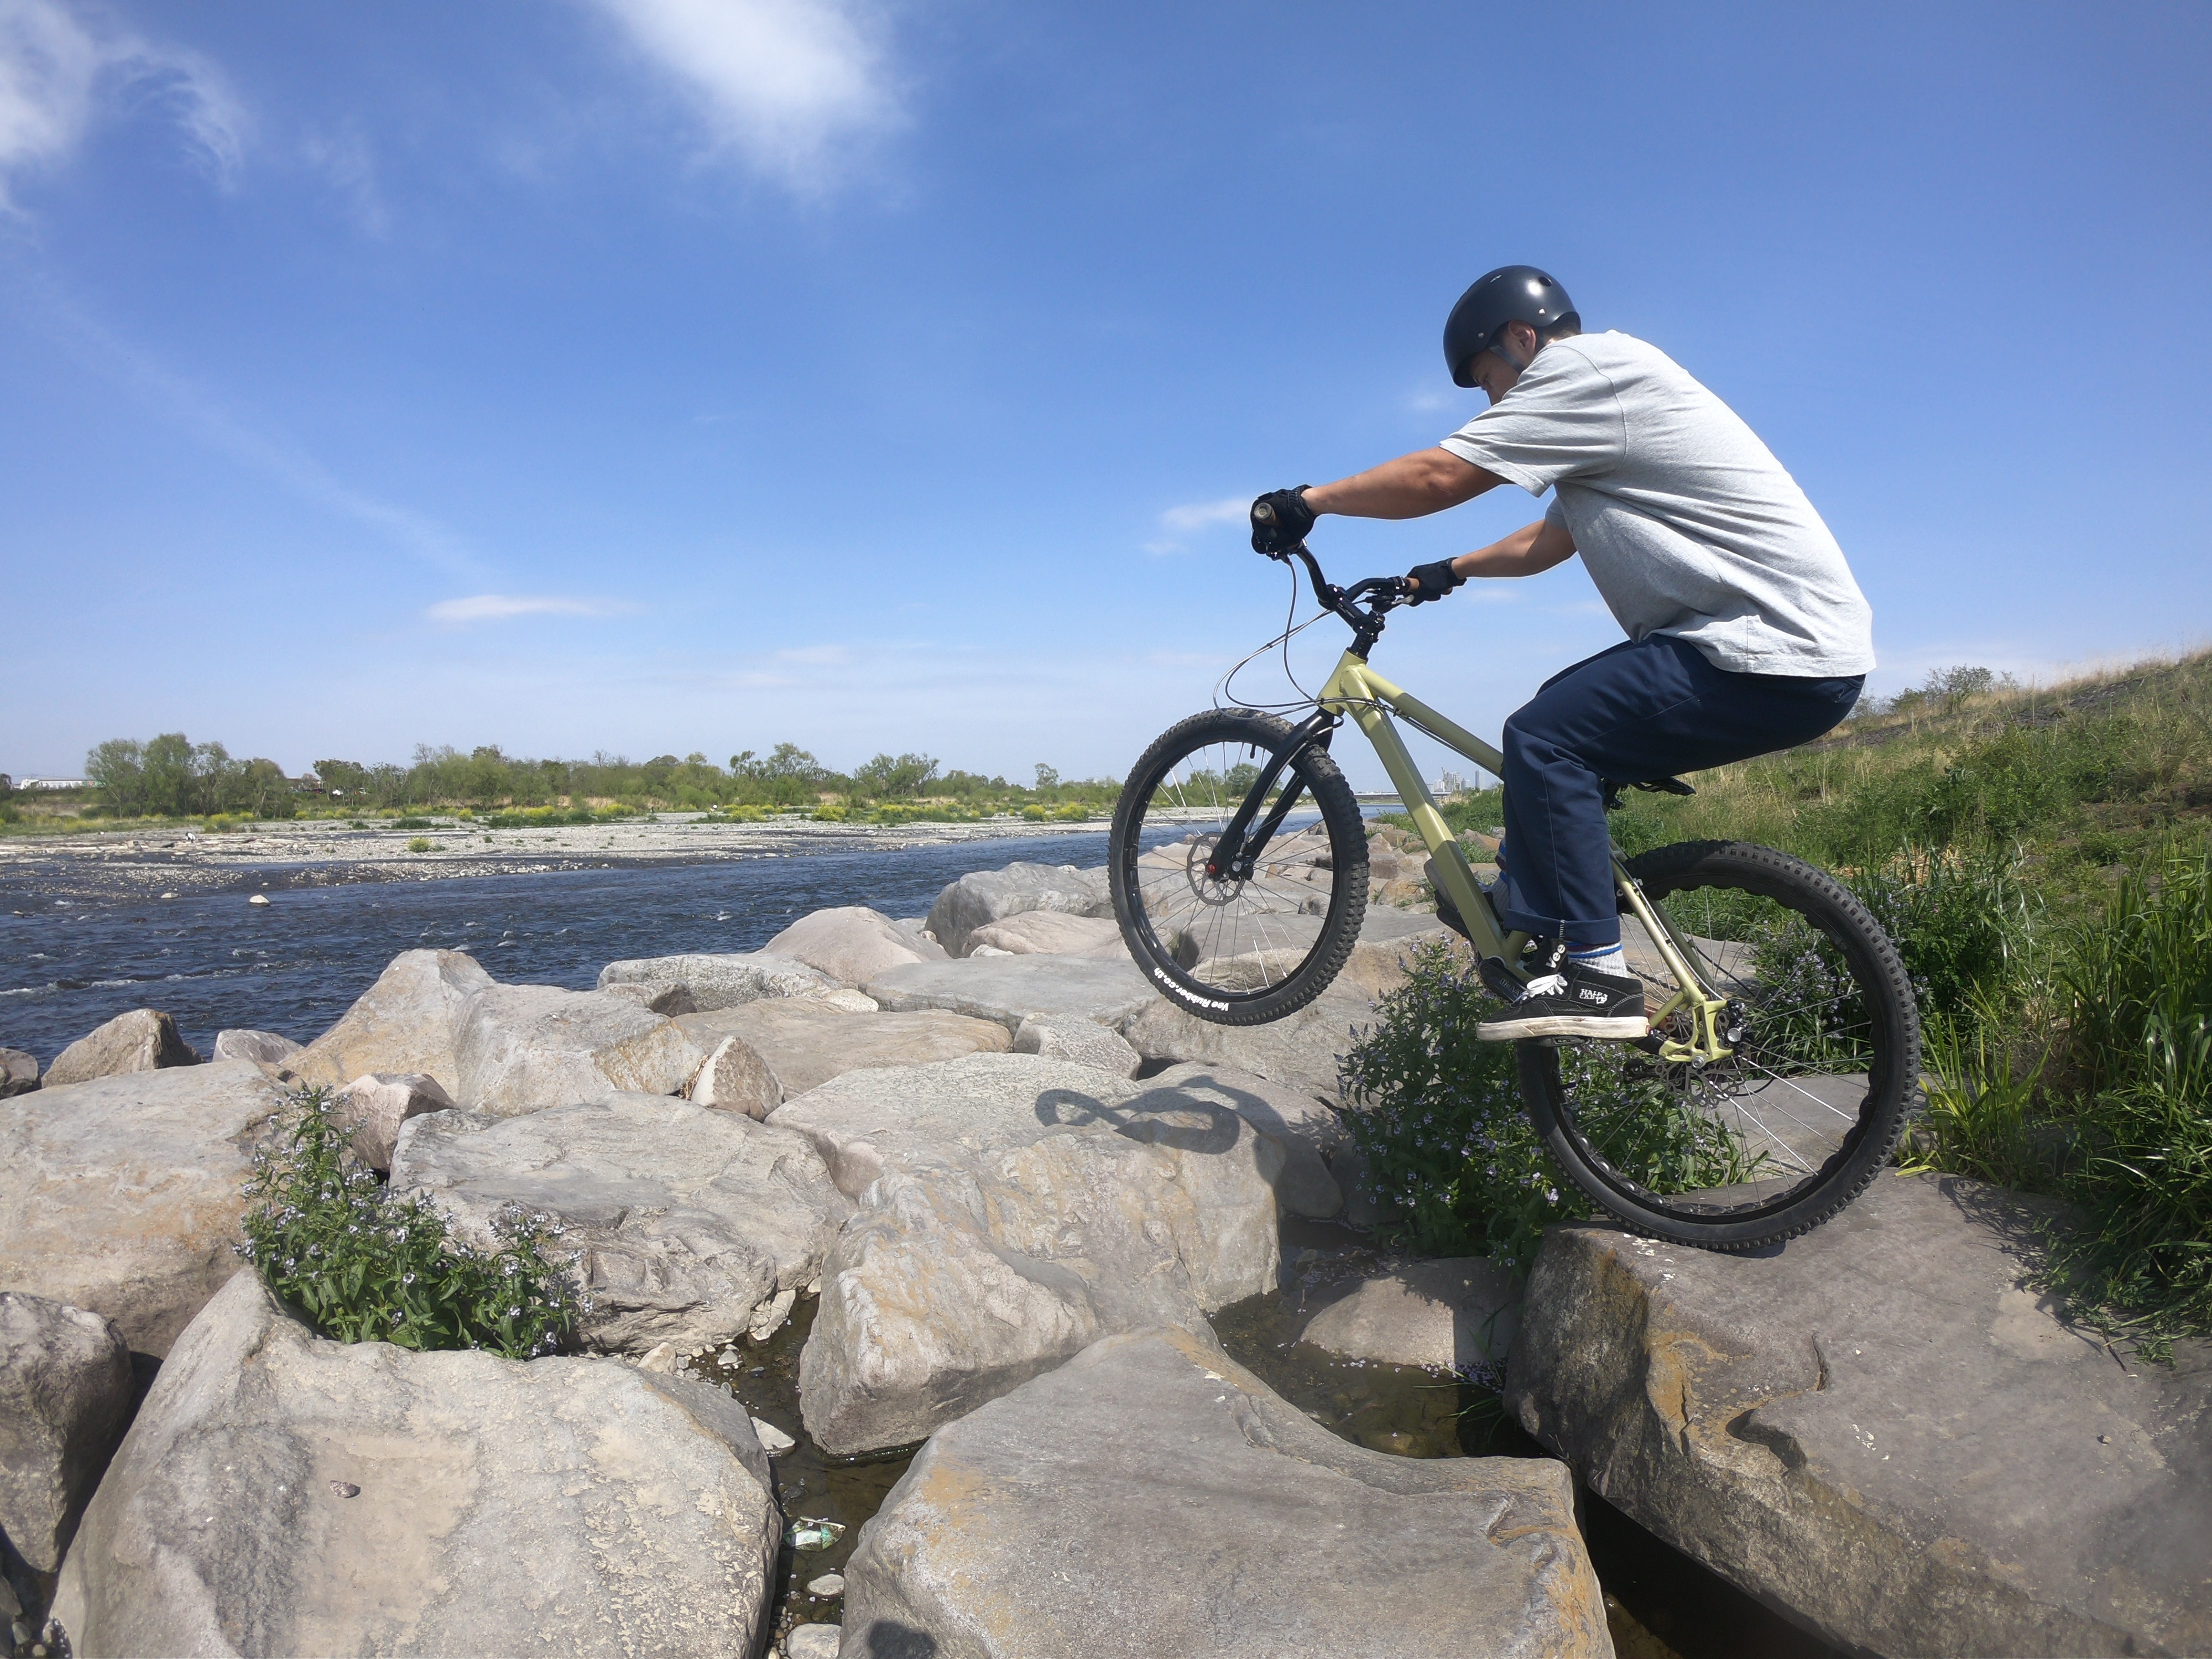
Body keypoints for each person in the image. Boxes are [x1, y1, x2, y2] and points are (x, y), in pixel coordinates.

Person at [1249, 265, 1873, 1041]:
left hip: (1768, 647)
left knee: (1546, 737)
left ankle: (1598, 978)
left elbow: (1442, 474)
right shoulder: (1611, 404)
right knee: (1558, 710)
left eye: (1487, 384)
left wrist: (1306, 502)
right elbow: (1548, 541)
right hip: (1777, 647)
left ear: (1522, 339)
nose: (1493, 405)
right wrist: (1448, 571)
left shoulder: (1584, 370)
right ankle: (1537, 907)